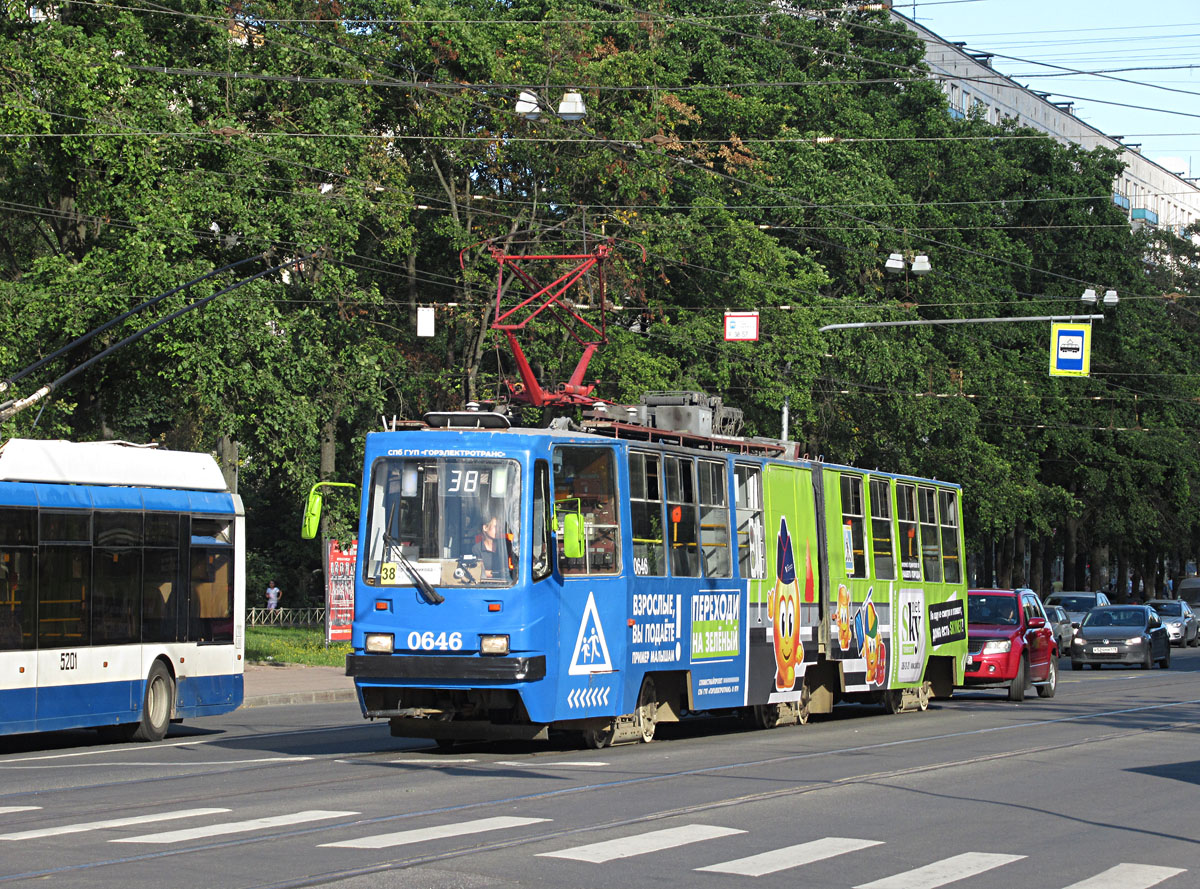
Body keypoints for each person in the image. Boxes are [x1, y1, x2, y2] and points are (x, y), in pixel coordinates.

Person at [473, 516, 509, 580]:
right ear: (485, 528)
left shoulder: (506, 545)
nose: (499, 530)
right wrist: (500, 573)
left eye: (500, 527)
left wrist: (489, 573)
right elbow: (477, 573)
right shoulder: (477, 549)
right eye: (496, 527)